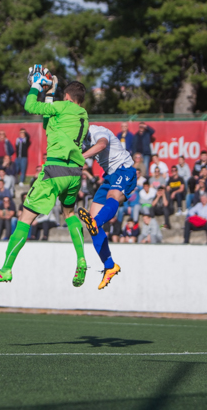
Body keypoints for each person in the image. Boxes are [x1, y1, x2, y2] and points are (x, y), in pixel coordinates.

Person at [0, 68, 89, 286]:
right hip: (74, 174)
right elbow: (48, 124)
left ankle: (6, 268)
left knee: (25, 217)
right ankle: (81, 258)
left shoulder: (63, 106)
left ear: (68, 97)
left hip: (54, 170)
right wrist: (50, 94)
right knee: (69, 213)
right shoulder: (83, 116)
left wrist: (36, 84)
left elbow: (30, 106)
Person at [77, 124, 137, 290]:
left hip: (124, 171)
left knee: (112, 198)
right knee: (92, 222)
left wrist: (80, 157)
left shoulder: (98, 132)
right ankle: (109, 265)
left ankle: (97, 222)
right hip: (110, 177)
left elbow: (102, 144)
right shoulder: (80, 139)